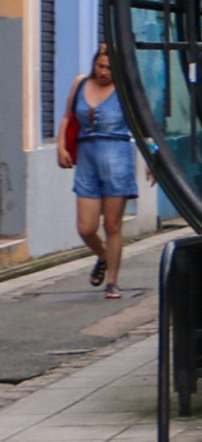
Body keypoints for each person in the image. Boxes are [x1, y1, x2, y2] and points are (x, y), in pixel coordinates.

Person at [58, 45, 134, 298]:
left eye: (110, 68)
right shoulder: (80, 84)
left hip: (117, 161)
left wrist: (155, 160)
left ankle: (112, 281)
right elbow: (68, 116)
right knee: (86, 228)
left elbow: (145, 126)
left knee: (112, 225)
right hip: (87, 162)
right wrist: (61, 147)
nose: (104, 72)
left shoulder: (125, 90)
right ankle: (103, 257)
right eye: (100, 66)